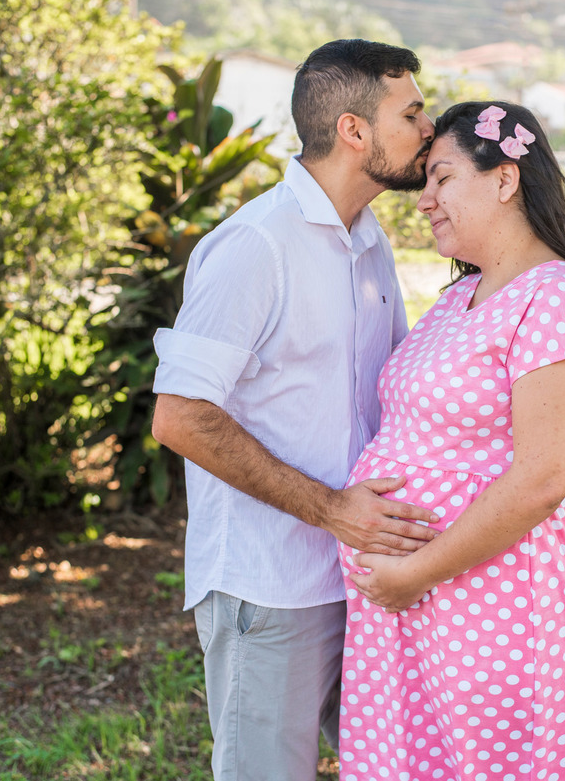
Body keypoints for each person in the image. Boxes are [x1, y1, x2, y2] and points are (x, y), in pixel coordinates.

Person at [149, 39, 443, 781]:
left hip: (366, 579)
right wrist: (332, 510)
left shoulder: (370, 244)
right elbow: (180, 416)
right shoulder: (254, 246)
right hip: (269, 585)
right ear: (354, 130)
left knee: (394, 767)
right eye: (411, 112)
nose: (429, 128)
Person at [337, 101, 565, 781]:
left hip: (486, 603)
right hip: (413, 604)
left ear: (504, 179)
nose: (424, 200)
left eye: (440, 178)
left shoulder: (553, 298)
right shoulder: (455, 299)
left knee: (495, 763)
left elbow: (541, 480)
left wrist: (414, 572)